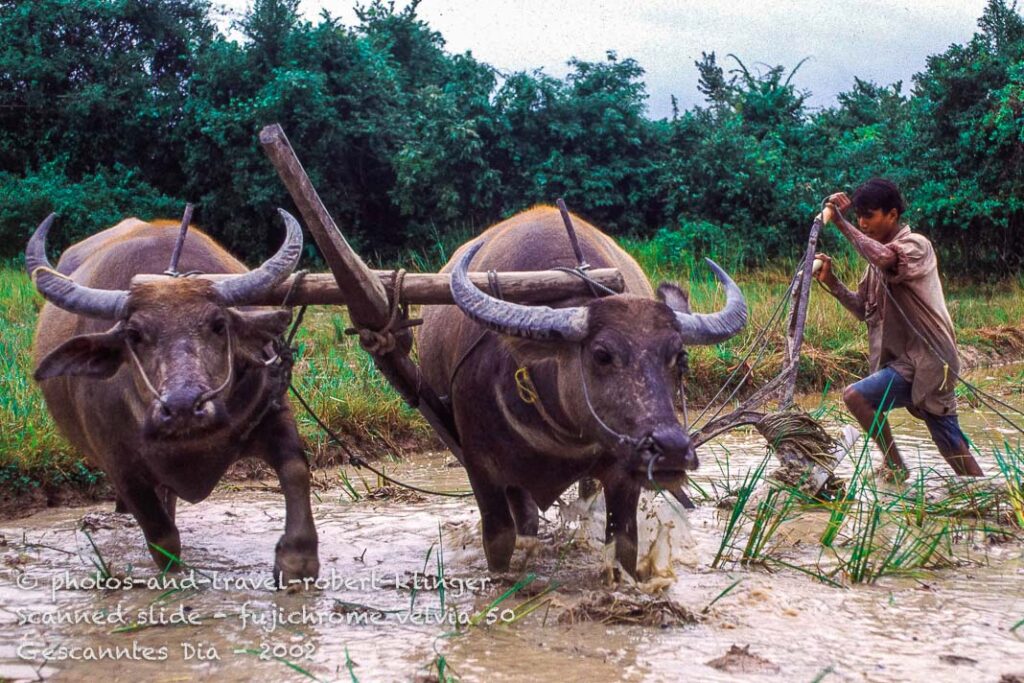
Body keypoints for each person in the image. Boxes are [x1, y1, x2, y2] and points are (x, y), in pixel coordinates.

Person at [814, 178, 983, 481]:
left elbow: (885, 258)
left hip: (932, 361)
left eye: (870, 215)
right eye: (859, 216)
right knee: (859, 398)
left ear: (892, 215)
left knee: (949, 443)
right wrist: (833, 283)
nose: (863, 223)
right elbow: (864, 311)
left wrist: (840, 223)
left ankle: (984, 493)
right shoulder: (873, 264)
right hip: (904, 363)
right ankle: (904, 466)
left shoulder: (916, 246)